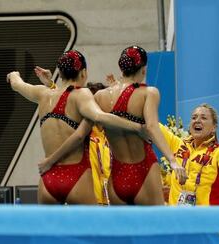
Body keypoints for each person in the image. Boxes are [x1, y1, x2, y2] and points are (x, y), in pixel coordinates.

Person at [42, 46, 187, 205]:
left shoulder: (99, 96)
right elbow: (152, 127)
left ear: (121, 67)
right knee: (156, 228)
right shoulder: (149, 93)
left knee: (122, 230)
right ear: (144, 70)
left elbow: (78, 134)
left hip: (117, 177)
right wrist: (172, 161)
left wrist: (50, 160)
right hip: (144, 171)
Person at [6, 50, 142, 204]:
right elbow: (100, 116)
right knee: (92, 227)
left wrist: (13, 74)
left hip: (48, 179)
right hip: (76, 175)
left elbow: (17, 84)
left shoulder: (43, 94)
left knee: (50, 228)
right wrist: (138, 127)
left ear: (61, 73)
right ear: (83, 73)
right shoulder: (81, 94)